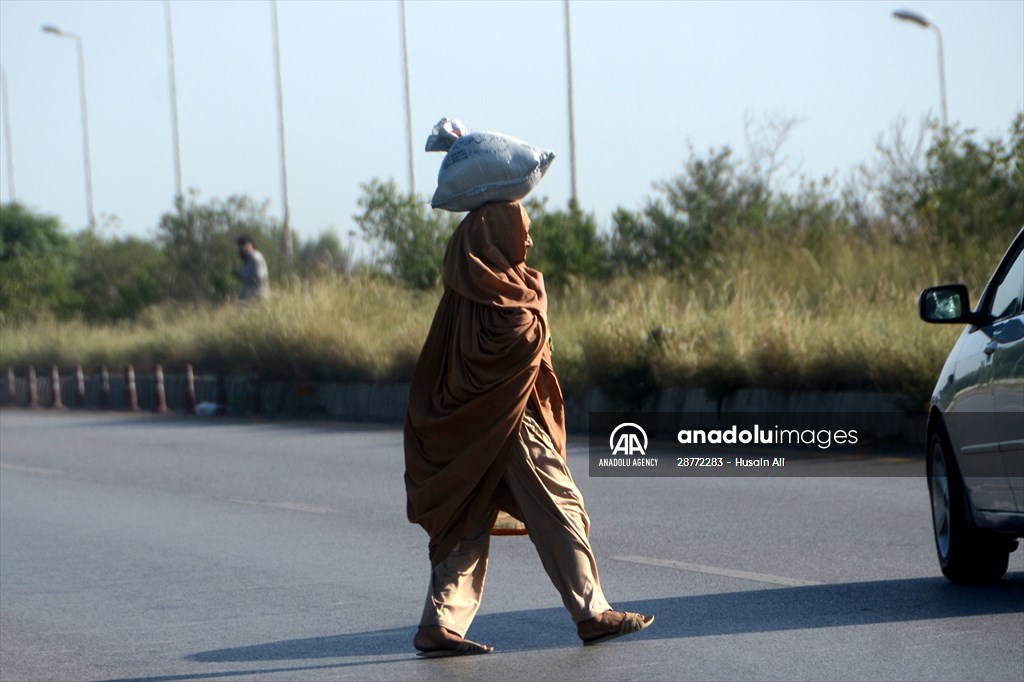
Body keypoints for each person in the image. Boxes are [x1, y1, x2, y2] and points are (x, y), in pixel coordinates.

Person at [404, 201, 653, 658]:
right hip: (509, 421)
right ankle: (591, 613)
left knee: (467, 517)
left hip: (466, 427)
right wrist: (534, 312)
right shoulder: (503, 297)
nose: (530, 240)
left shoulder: (467, 291)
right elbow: (514, 349)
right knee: (562, 508)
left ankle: (438, 624)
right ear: (495, 236)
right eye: (523, 231)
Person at [237, 235, 270, 303]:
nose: (241, 249)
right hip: (250, 295)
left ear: (250, 245)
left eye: (243, 245)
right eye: (240, 246)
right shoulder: (248, 259)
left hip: (257, 294)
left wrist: (244, 277)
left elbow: (259, 276)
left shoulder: (255, 257)